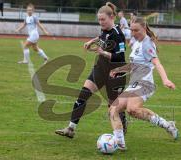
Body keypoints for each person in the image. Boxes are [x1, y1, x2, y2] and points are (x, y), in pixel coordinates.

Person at [55, 2, 128, 138]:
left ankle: (121, 130)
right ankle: (71, 129)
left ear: (112, 17)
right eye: (99, 20)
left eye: (103, 20)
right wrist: (92, 42)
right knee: (83, 95)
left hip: (115, 72)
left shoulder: (118, 35)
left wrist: (103, 52)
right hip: (100, 69)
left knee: (113, 107)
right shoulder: (105, 30)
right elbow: (103, 39)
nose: (100, 22)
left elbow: (120, 57)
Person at [109, 17, 179, 150]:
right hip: (135, 83)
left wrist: (165, 79)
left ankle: (167, 125)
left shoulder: (147, 44)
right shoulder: (136, 41)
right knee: (113, 110)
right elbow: (134, 64)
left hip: (145, 83)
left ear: (144, 29)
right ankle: (119, 143)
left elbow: (157, 63)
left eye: (136, 30)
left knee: (132, 109)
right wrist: (119, 70)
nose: (133, 33)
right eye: (132, 30)